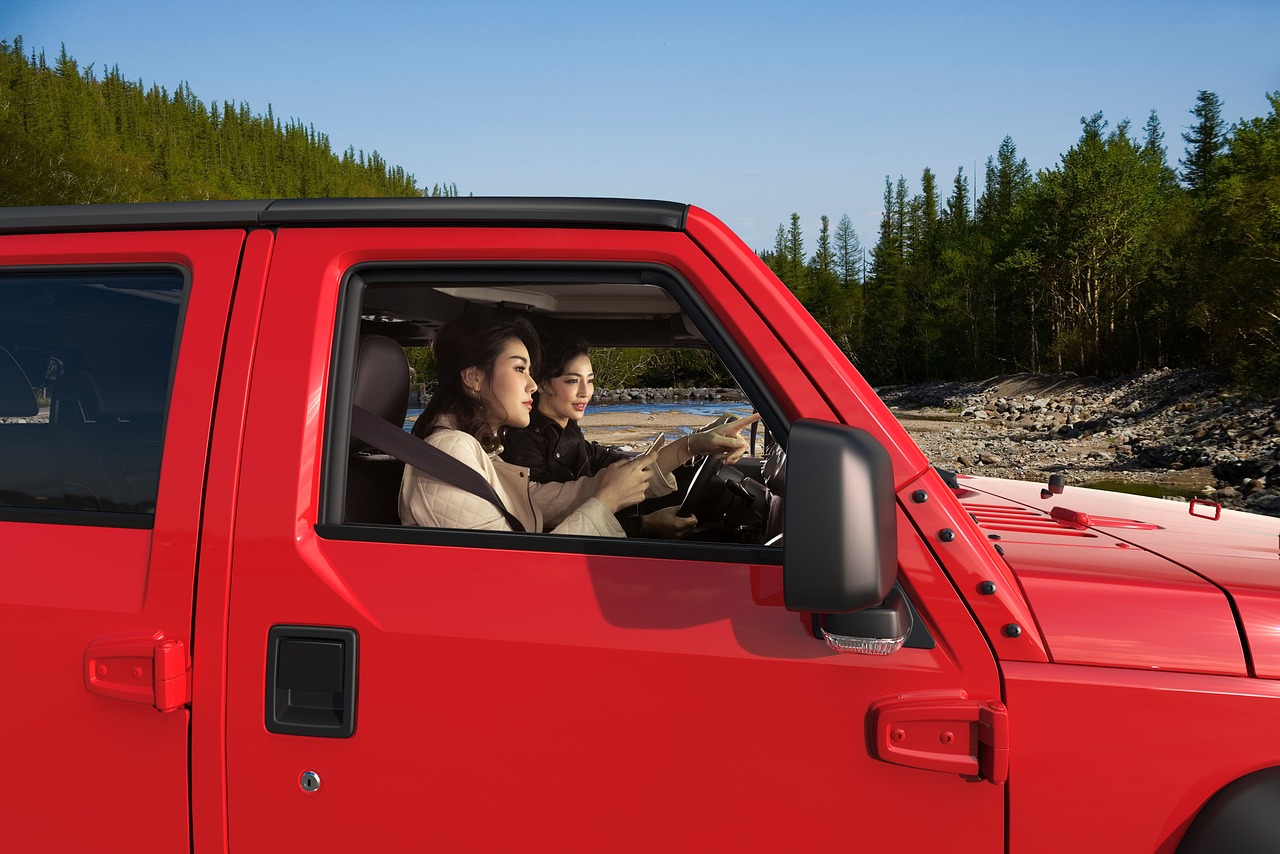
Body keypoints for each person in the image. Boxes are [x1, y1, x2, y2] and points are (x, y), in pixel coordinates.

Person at [398, 311, 673, 537]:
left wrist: (611, 487)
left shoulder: (480, 448)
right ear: (474, 377)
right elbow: (506, 569)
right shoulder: (451, 448)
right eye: (520, 369)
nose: (532, 385)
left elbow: (539, 500)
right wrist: (607, 501)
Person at [500, 335, 760, 538]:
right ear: (544, 384)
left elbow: (627, 470)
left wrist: (695, 442)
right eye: (572, 381)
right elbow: (544, 518)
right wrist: (643, 525)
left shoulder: (569, 432)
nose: (586, 392)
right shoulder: (522, 440)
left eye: (590, 380)